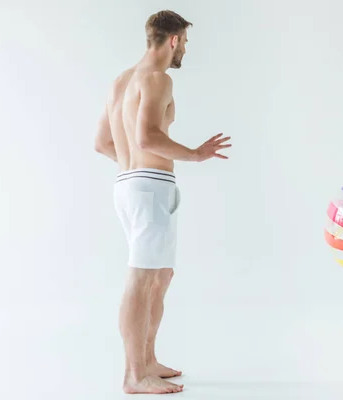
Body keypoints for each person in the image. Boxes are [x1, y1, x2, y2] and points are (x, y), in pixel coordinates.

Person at [94, 10, 231, 394]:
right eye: (184, 42)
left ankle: (148, 361)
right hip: (150, 187)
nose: (184, 49)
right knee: (142, 278)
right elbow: (147, 138)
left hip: (130, 185)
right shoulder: (158, 79)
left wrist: (134, 172)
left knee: (160, 275)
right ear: (173, 40)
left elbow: (103, 143)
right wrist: (195, 154)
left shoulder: (121, 82)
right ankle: (134, 375)